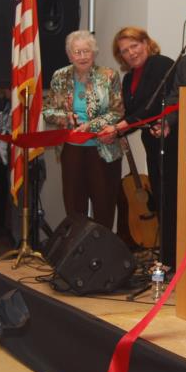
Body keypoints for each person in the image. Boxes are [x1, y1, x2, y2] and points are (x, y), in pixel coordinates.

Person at [102, 28, 177, 263]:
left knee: (172, 201)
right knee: (161, 201)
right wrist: (113, 130)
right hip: (151, 143)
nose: (131, 53)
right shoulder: (128, 78)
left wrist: (119, 127)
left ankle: (174, 259)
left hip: (171, 141)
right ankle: (166, 260)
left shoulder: (160, 64)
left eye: (134, 45)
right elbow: (134, 113)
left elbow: (152, 106)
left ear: (146, 43)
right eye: (124, 51)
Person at [42, 30, 124, 231]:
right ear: (69, 55)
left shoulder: (109, 75)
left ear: (94, 53)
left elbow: (118, 111)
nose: (82, 56)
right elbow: (48, 110)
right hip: (71, 149)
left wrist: (91, 125)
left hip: (104, 149)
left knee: (104, 205)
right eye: (77, 52)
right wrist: (65, 118)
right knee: (74, 205)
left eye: (86, 51)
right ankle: (77, 252)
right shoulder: (59, 76)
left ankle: (103, 252)